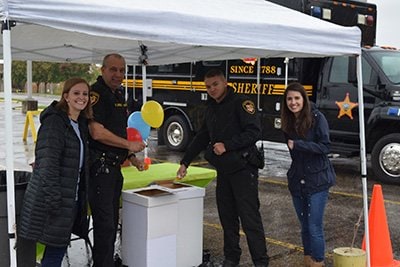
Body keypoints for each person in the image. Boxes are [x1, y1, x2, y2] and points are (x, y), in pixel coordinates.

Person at [177, 68, 269, 267]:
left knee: (250, 219)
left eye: (215, 85)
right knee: (227, 219)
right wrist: (185, 162)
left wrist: (227, 145)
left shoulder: (241, 103)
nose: (211, 89)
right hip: (225, 171)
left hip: (244, 170)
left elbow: (254, 132)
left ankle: (261, 262)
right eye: (208, 86)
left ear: (225, 82)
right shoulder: (211, 107)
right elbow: (202, 136)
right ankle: (231, 258)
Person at [18, 77, 93, 266]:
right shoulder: (55, 123)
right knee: (54, 254)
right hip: (53, 201)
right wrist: (55, 202)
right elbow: (47, 166)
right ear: (66, 96)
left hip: (68, 200)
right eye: (76, 93)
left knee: (55, 252)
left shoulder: (79, 124)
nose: (82, 98)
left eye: (85, 94)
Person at [88, 53, 146, 267]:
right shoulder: (96, 94)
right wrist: (129, 146)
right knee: (105, 227)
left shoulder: (118, 95)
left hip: (114, 169)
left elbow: (118, 133)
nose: (118, 74)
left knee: (111, 223)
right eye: (113, 69)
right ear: (102, 70)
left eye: (122, 70)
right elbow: (96, 132)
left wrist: (131, 156)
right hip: (99, 169)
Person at [280, 82, 336, 267]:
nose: (293, 102)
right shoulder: (287, 121)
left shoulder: (317, 117)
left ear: (304, 99)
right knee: (304, 226)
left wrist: (299, 145)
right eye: (289, 99)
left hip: (318, 179)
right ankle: (308, 259)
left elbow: (325, 147)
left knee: (314, 227)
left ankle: (318, 261)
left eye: (297, 98)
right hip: (298, 180)